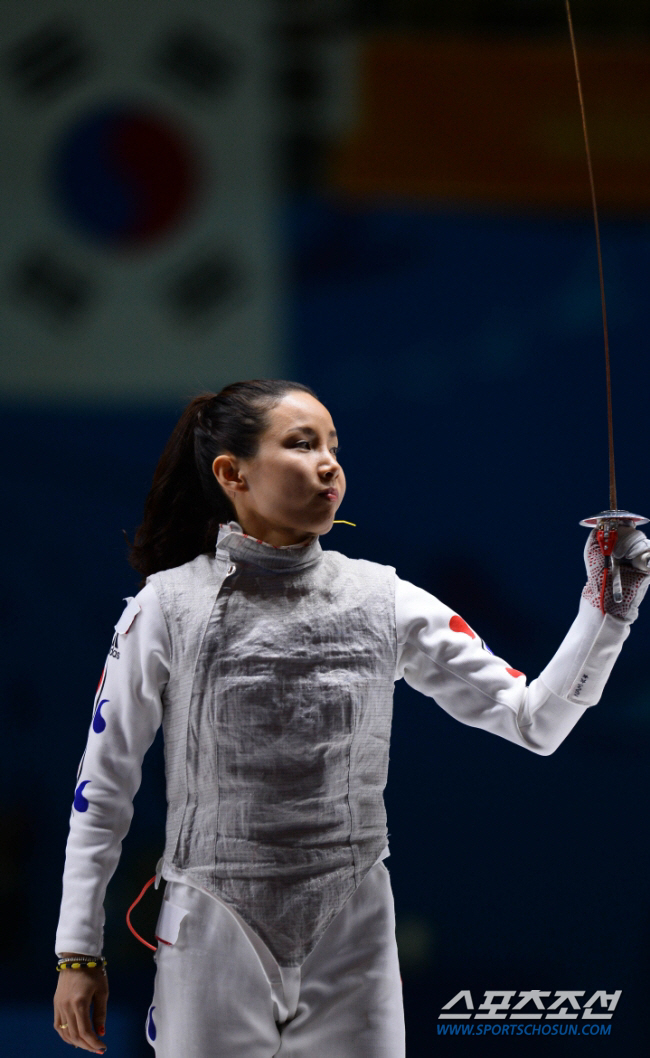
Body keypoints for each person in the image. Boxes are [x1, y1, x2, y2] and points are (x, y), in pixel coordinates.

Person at [53, 379, 650, 1057]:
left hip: (353, 923)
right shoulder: (167, 606)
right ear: (232, 473)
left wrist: (607, 612)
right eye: (302, 444)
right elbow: (102, 787)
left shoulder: (383, 599)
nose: (329, 463)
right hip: (213, 921)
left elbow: (533, 722)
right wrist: (78, 953)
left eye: (333, 445)